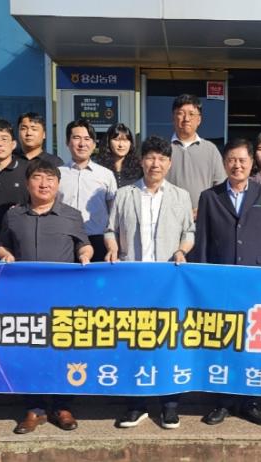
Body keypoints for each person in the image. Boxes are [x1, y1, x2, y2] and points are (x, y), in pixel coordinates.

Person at [104, 135, 194, 429]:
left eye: (162, 159)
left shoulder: (181, 196)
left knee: (169, 342)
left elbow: (189, 232)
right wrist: (112, 247)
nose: (156, 163)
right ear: (141, 160)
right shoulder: (124, 194)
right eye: (151, 157)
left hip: (168, 281)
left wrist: (182, 250)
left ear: (169, 163)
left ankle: (169, 405)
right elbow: (110, 229)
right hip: (133, 280)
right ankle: (136, 404)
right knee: (135, 342)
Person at [0, 158, 93, 434]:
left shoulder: (72, 215)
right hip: (25, 298)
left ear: (58, 184)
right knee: (31, 352)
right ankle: (35, 408)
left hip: (63, 298)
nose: (44, 184)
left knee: (63, 351)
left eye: (50, 179)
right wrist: (5, 255)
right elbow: (2, 245)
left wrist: (85, 256)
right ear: (28, 183)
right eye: (38, 178)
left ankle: (63, 406)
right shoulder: (14, 215)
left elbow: (84, 245)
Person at [193, 138, 261, 426]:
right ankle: (222, 402)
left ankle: (249, 401)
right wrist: (204, 282)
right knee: (223, 342)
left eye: (242, 160)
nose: (237, 165)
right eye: (232, 160)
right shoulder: (209, 197)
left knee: (251, 343)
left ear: (252, 163)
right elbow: (203, 243)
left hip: (255, 281)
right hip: (221, 282)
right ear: (224, 163)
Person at [58, 119, 117, 262]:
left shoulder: (106, 175)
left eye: (87, 139)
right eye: (76, 138)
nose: (82, 143)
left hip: (98, 239)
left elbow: (113, 211)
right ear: (67, 142)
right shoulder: (57, 174)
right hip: (65, 239)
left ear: (94, 144)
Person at [165, 94, 226, 216]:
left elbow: (221, 187)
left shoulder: (210, 150)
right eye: (181, 113)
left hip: (203, 218)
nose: (186, 118)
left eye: (191, 114)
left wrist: (204, 208)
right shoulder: (163, 149)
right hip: (169, 217)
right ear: (173, 117)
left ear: (199, 120)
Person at [95, 123, 143, 188]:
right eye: (116, 139)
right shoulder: (99, 168)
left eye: (125, 140)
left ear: (131, 143)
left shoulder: (139, 170)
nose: (121, 145)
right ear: (108, 142)